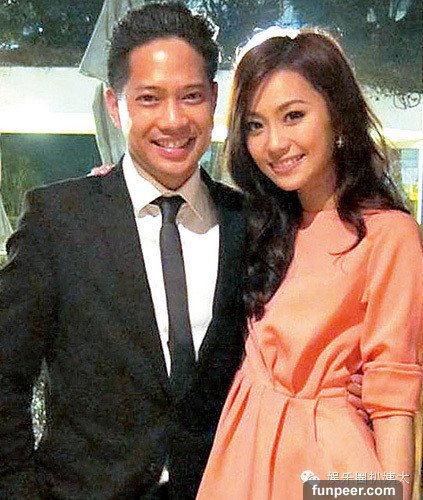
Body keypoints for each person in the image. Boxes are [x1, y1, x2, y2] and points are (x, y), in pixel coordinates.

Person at [0, 4, 246, 499]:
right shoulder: (57, 220)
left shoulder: (249, 223)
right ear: (115, 106)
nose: (173, 120)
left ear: (214, 99)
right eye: (149, 98)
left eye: (191, 96)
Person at [197, 30, 423, 499]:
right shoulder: (261, 225)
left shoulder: (388, 234)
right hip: (243, 455)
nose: (274, 143)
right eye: (255, 125)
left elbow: (392, 402)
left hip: (329, 469)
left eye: (293, 116)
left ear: (337, 115)